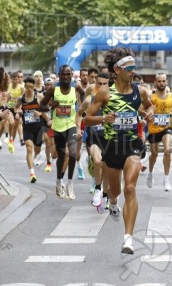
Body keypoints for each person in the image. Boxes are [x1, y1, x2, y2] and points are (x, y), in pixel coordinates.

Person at [84, 47, 154, 254]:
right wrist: (103, 119)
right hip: (112, 146)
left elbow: (149, 106)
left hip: (132, 145)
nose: (133, 71)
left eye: (134, 67)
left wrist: (149, 114)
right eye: (128, 67)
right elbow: (87, 118)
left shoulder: (139, 91)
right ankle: (112, 201)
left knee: (130, 188)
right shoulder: (105, 92)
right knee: (115, 191)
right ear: (117, 69)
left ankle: (128, 239)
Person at [40, 65, 85, 200]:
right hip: (58, 127)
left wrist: (81, 106)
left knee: (72, 154)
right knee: (60, 157)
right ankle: (59, 181)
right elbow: (41, 106)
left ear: (71, 75)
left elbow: (83, 93)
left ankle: (70, 184)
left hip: (71, 125)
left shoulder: (76, 87)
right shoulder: (54, 88)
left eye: (68, 74)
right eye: (64, 74)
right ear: (59, 75)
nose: (66, 77)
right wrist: (50, 106)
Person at [76, 72, 110, 212]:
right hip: (93, 138)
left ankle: (107, 195)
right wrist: (79, 128)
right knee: (97, 161)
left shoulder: (114, 100)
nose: (101, 87)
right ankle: (97, 188)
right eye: (99, 84)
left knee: (107, 168)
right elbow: (79, 114)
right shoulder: (90, 101)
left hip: (109, 139)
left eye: (104, 84)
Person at [146, 73, 172, 191]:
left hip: (166, 127)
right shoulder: (151, 96)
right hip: (153, 129)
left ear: (167, 82)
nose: (161, 83)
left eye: (163, 81)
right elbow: (143, 108)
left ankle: (166, 178)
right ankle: (150, 173)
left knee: (168, 150)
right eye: (159, 81)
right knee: (154, 154)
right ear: (155, 83)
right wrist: (147, 114)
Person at [15, 76, 45, 183]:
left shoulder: (39, 97)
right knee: (28, 147)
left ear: (34, 87)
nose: (28, 90)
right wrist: (18, 113)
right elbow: (16, 107)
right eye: (27, 87)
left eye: (31, 87)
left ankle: (37, 155)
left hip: (38, 127)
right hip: (27, 127)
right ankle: (32, 173)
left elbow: (47, 109)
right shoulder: (21, 99)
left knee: (37, 148)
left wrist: (40, 113)